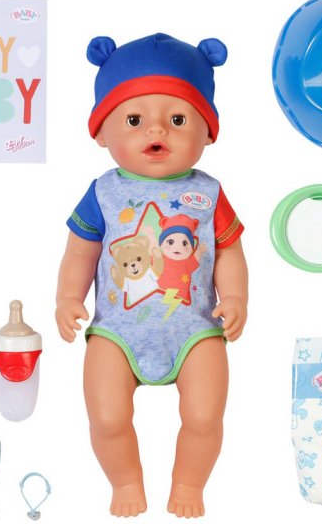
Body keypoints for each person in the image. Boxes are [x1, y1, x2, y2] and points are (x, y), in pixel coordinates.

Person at [56, 33, 249, 518]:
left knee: (204, 415)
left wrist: (235, 297)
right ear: (101, 133)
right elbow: (80, 251)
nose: (156, 130)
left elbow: (230, 250)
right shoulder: (103, 192)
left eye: (178, 119)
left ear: (208, 133)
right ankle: (125, 481)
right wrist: (67, 298)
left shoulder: (209, 192)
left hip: (197, 330)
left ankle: (189, 483)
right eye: (134, 120)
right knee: (107, 417)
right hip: (116, 333)